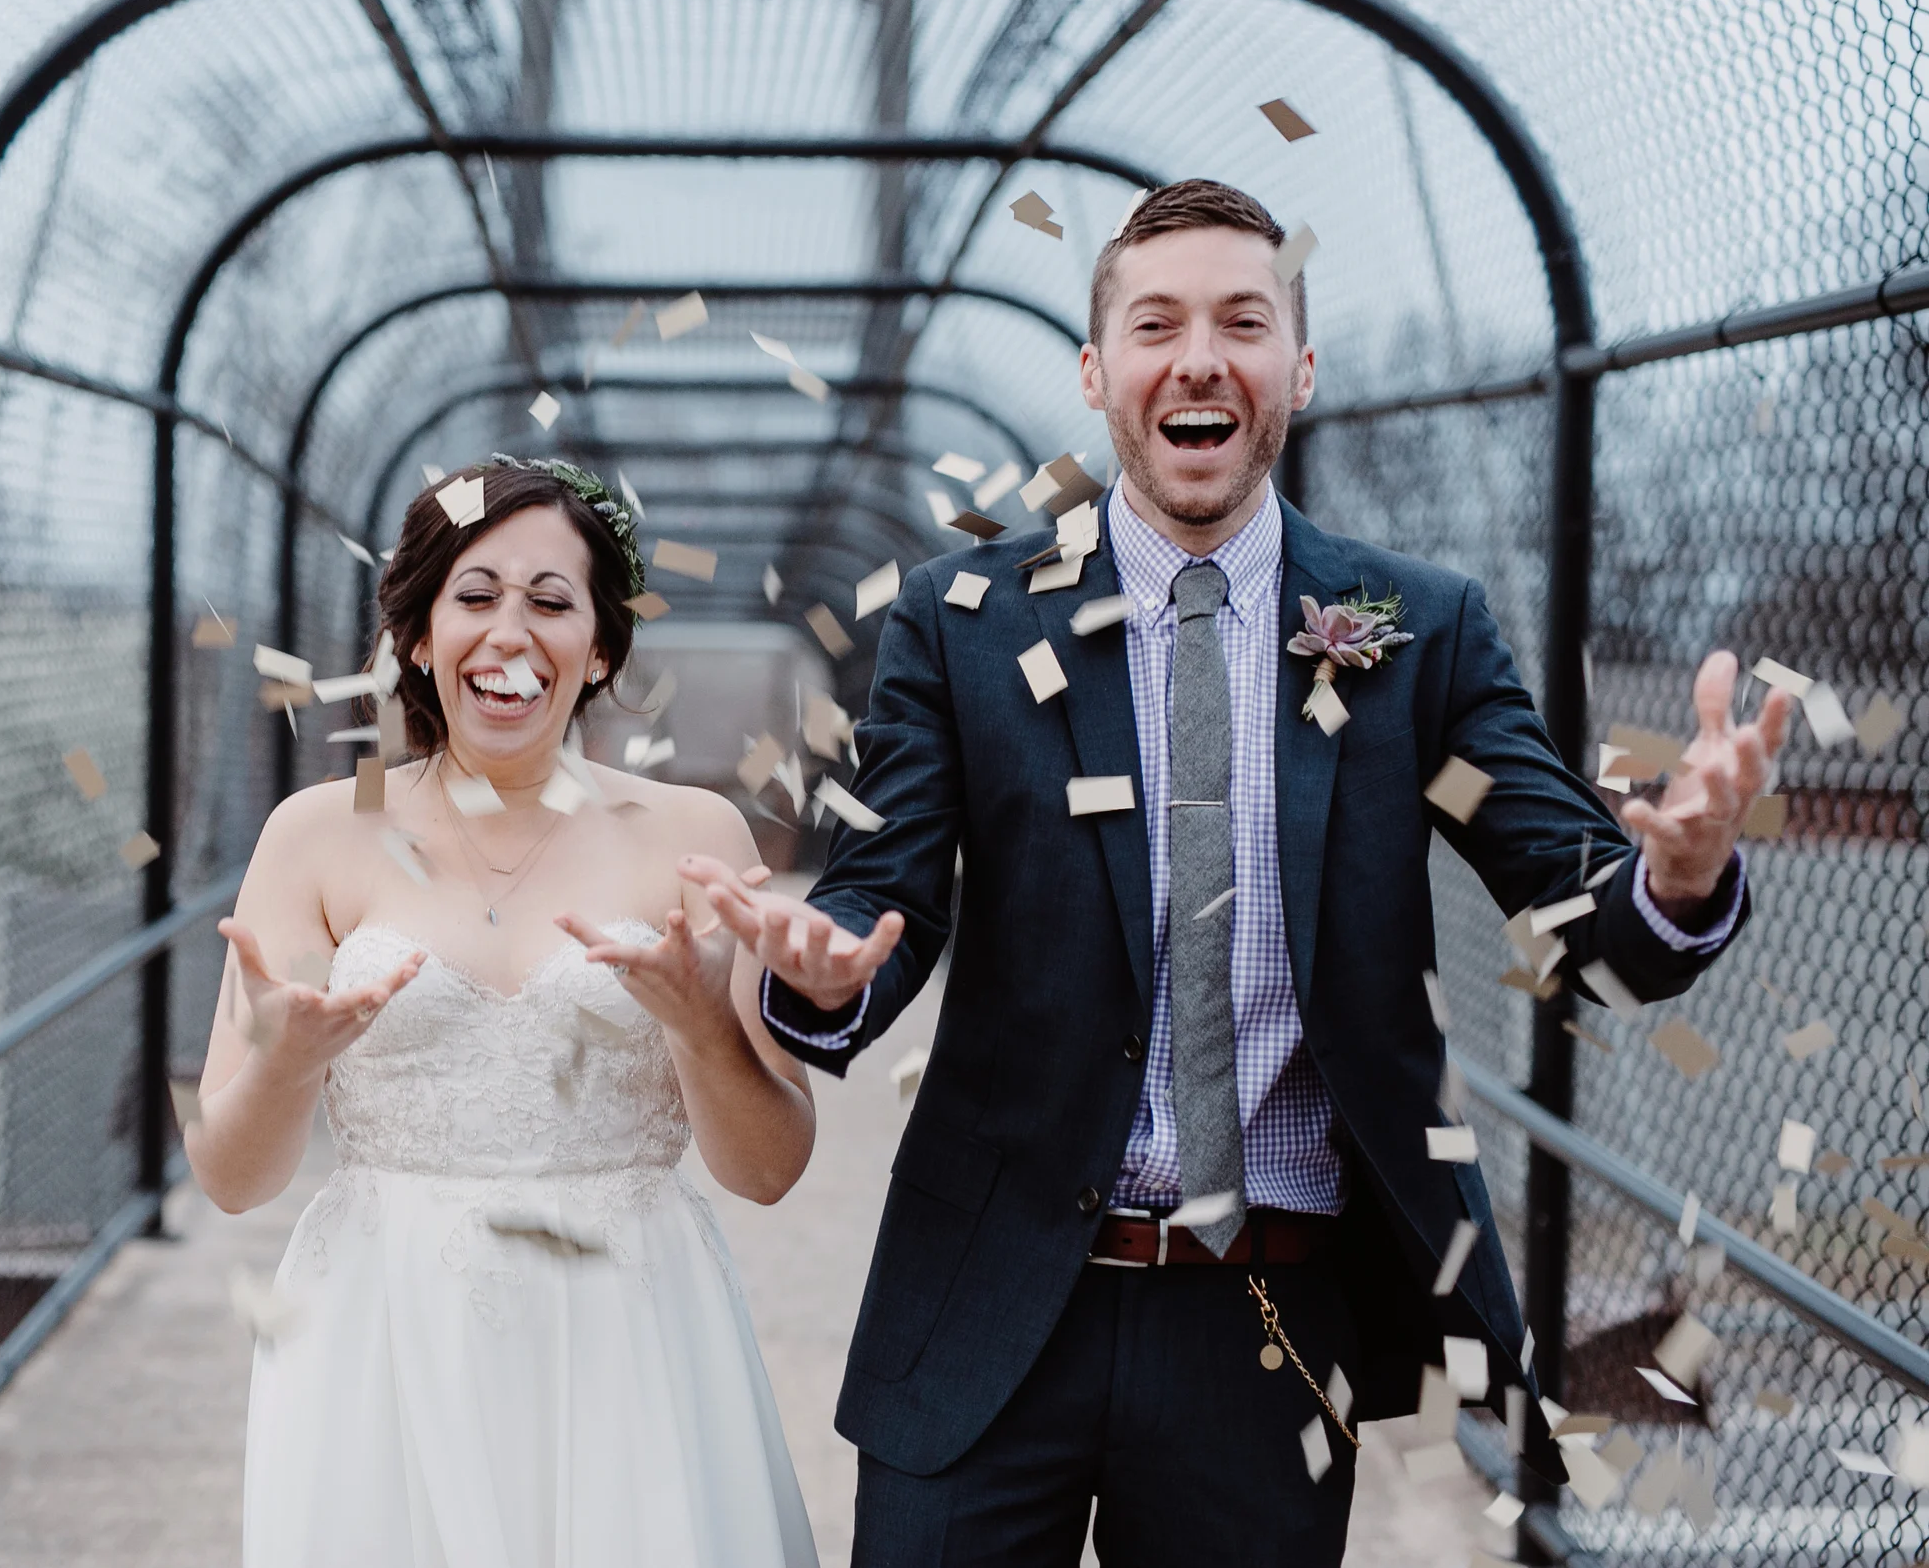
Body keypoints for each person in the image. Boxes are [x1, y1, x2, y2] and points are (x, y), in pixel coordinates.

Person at [684, 180, 1793, 1565]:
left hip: (1264, 1333)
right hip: (983, 1301)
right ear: (1098, 374)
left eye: (1243, 321)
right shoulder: (959, 624)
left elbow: (1589, 915)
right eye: (1156, 323)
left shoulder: (1417, 628)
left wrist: (1678, 877)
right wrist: (817, 972)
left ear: (1297, 368)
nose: (1199, 355)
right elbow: (877, 899)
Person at [182, 456, 821, 1568]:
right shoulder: (318, 830)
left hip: (631, 1324)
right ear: (419, 636)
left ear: (603, 644)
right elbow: (231, 1178)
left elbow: (767, 1166)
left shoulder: (696, 832)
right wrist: (286, 1065)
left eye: (550, 601)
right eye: (473, 596)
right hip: (380, 1336)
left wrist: (697, 1021)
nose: (508, 634)